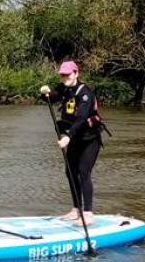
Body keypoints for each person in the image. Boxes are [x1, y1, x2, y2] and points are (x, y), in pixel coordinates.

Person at [40, 60, 103, 222]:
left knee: (83, 172)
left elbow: (81, 118)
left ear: (76, 73)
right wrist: (45, 93)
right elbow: (52, 97)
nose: (65, 77)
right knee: (70, 172)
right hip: (74, 139)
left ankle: (88, 213)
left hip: (89, 139)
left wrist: (67, 136)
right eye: (62, 75)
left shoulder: (85, 93)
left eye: (68, 74)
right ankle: (76, 209)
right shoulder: (64, 88)